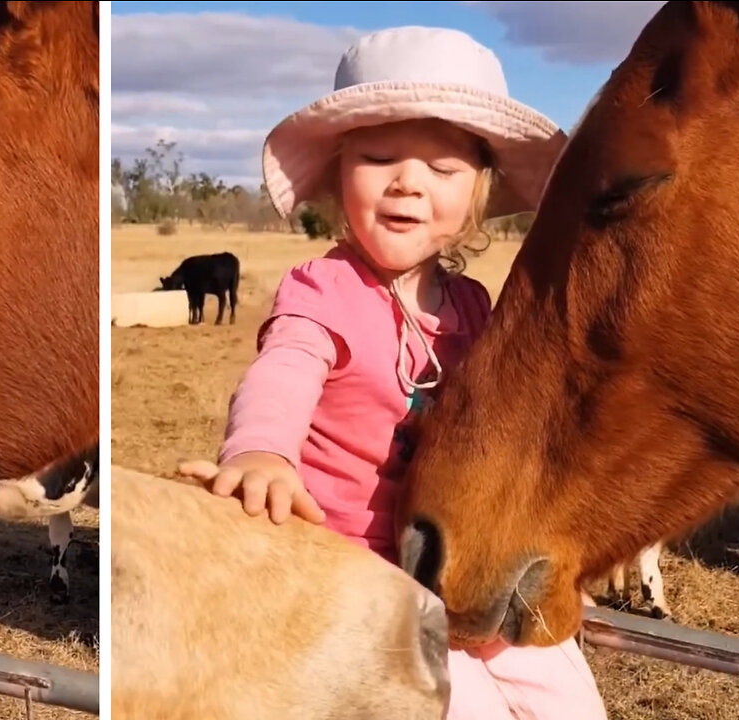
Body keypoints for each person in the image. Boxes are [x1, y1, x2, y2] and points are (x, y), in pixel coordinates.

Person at [178, 26, 609, 720]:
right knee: (461, 707)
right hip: (353, 566)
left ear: (477, 194)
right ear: (337, 175)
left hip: (461, 554)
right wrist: (261, 450)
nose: (409, 181)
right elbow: (283, 372)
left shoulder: (475, 306)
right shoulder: (321, 292)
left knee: (566, 694)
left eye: (442, 170)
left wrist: (547, 551)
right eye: (379, 159)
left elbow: (514, 429)